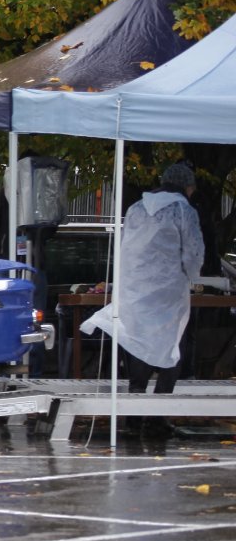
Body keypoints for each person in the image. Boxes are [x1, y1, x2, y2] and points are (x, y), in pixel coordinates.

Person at [97, 161, 204, 396]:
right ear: (186, 186)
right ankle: (161, 402)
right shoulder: (183, 210)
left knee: (139, 339)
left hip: (135, 289)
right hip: (169, 290)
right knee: (173, 341)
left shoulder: (136, 208)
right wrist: (193, 276)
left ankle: (136, 394)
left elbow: (124, 246)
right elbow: (193, 253)